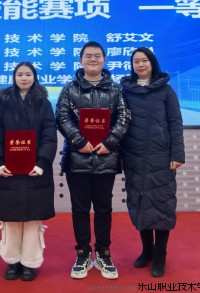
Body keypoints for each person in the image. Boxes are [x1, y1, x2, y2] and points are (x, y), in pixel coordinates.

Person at [56, 41, 130, 280]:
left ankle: (103, 254)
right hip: (77, 158)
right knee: (79, 210)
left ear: (104, 60)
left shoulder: (116, 90)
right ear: (80, 60)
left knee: (104, 209)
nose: (93, 59)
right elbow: (62, 116)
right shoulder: (69, 89)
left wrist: (110, 142)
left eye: (97, 56)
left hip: (107, 158)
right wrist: (78, 141)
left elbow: (124, 118)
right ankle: (83, 254)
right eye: (88, 56)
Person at [0, 62, 58, 282]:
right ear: (14, 77)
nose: (24, 78)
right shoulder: (3, 102)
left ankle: (30, 262)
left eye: (28, 74)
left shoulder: (43, 102)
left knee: (33, 220)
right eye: (20, 74)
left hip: (36, 170)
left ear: (34, 77)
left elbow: (49, 135)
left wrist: (42, 163)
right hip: (8, 170)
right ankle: (12, 261)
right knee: (11, 219)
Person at [120, 47, 185, 278]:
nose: (140, 65)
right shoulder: (125, 92)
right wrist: (120, 156)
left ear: (152, 63)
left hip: (161, 157)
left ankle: (160, 256)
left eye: (144, 60)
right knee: (140, 203)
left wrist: (177, 154)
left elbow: (175, 123)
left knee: (162, 204)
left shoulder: (166, 91)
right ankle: (146, 251)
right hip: (134, 156)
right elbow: (119, 126)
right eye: (136, 61)